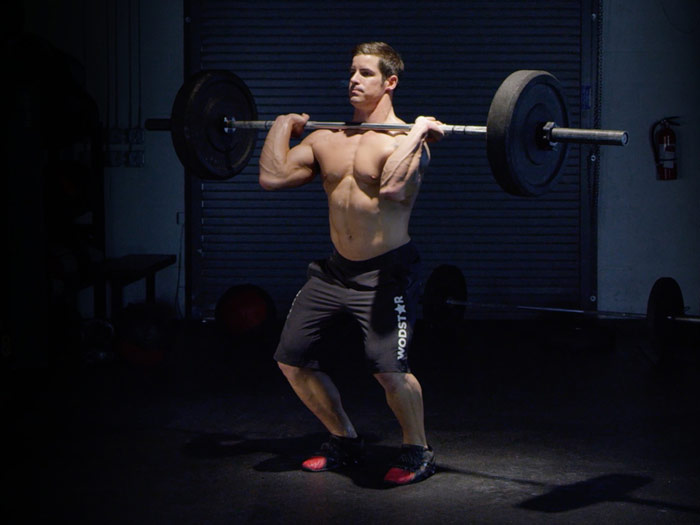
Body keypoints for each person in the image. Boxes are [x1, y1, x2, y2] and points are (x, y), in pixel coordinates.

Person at [258, 42, 444, 486]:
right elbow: (272, 177)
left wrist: (417, 133)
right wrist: (282, 128)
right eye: (351, 72)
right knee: (292, 358)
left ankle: (418, 450)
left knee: (388, 369)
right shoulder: (327, 139)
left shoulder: (408, 143)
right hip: (335, 270)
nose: (353, 80)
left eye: (365, 73)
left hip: (387, 273)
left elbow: (395, 191)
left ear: (390, 82)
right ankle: (344, 439)